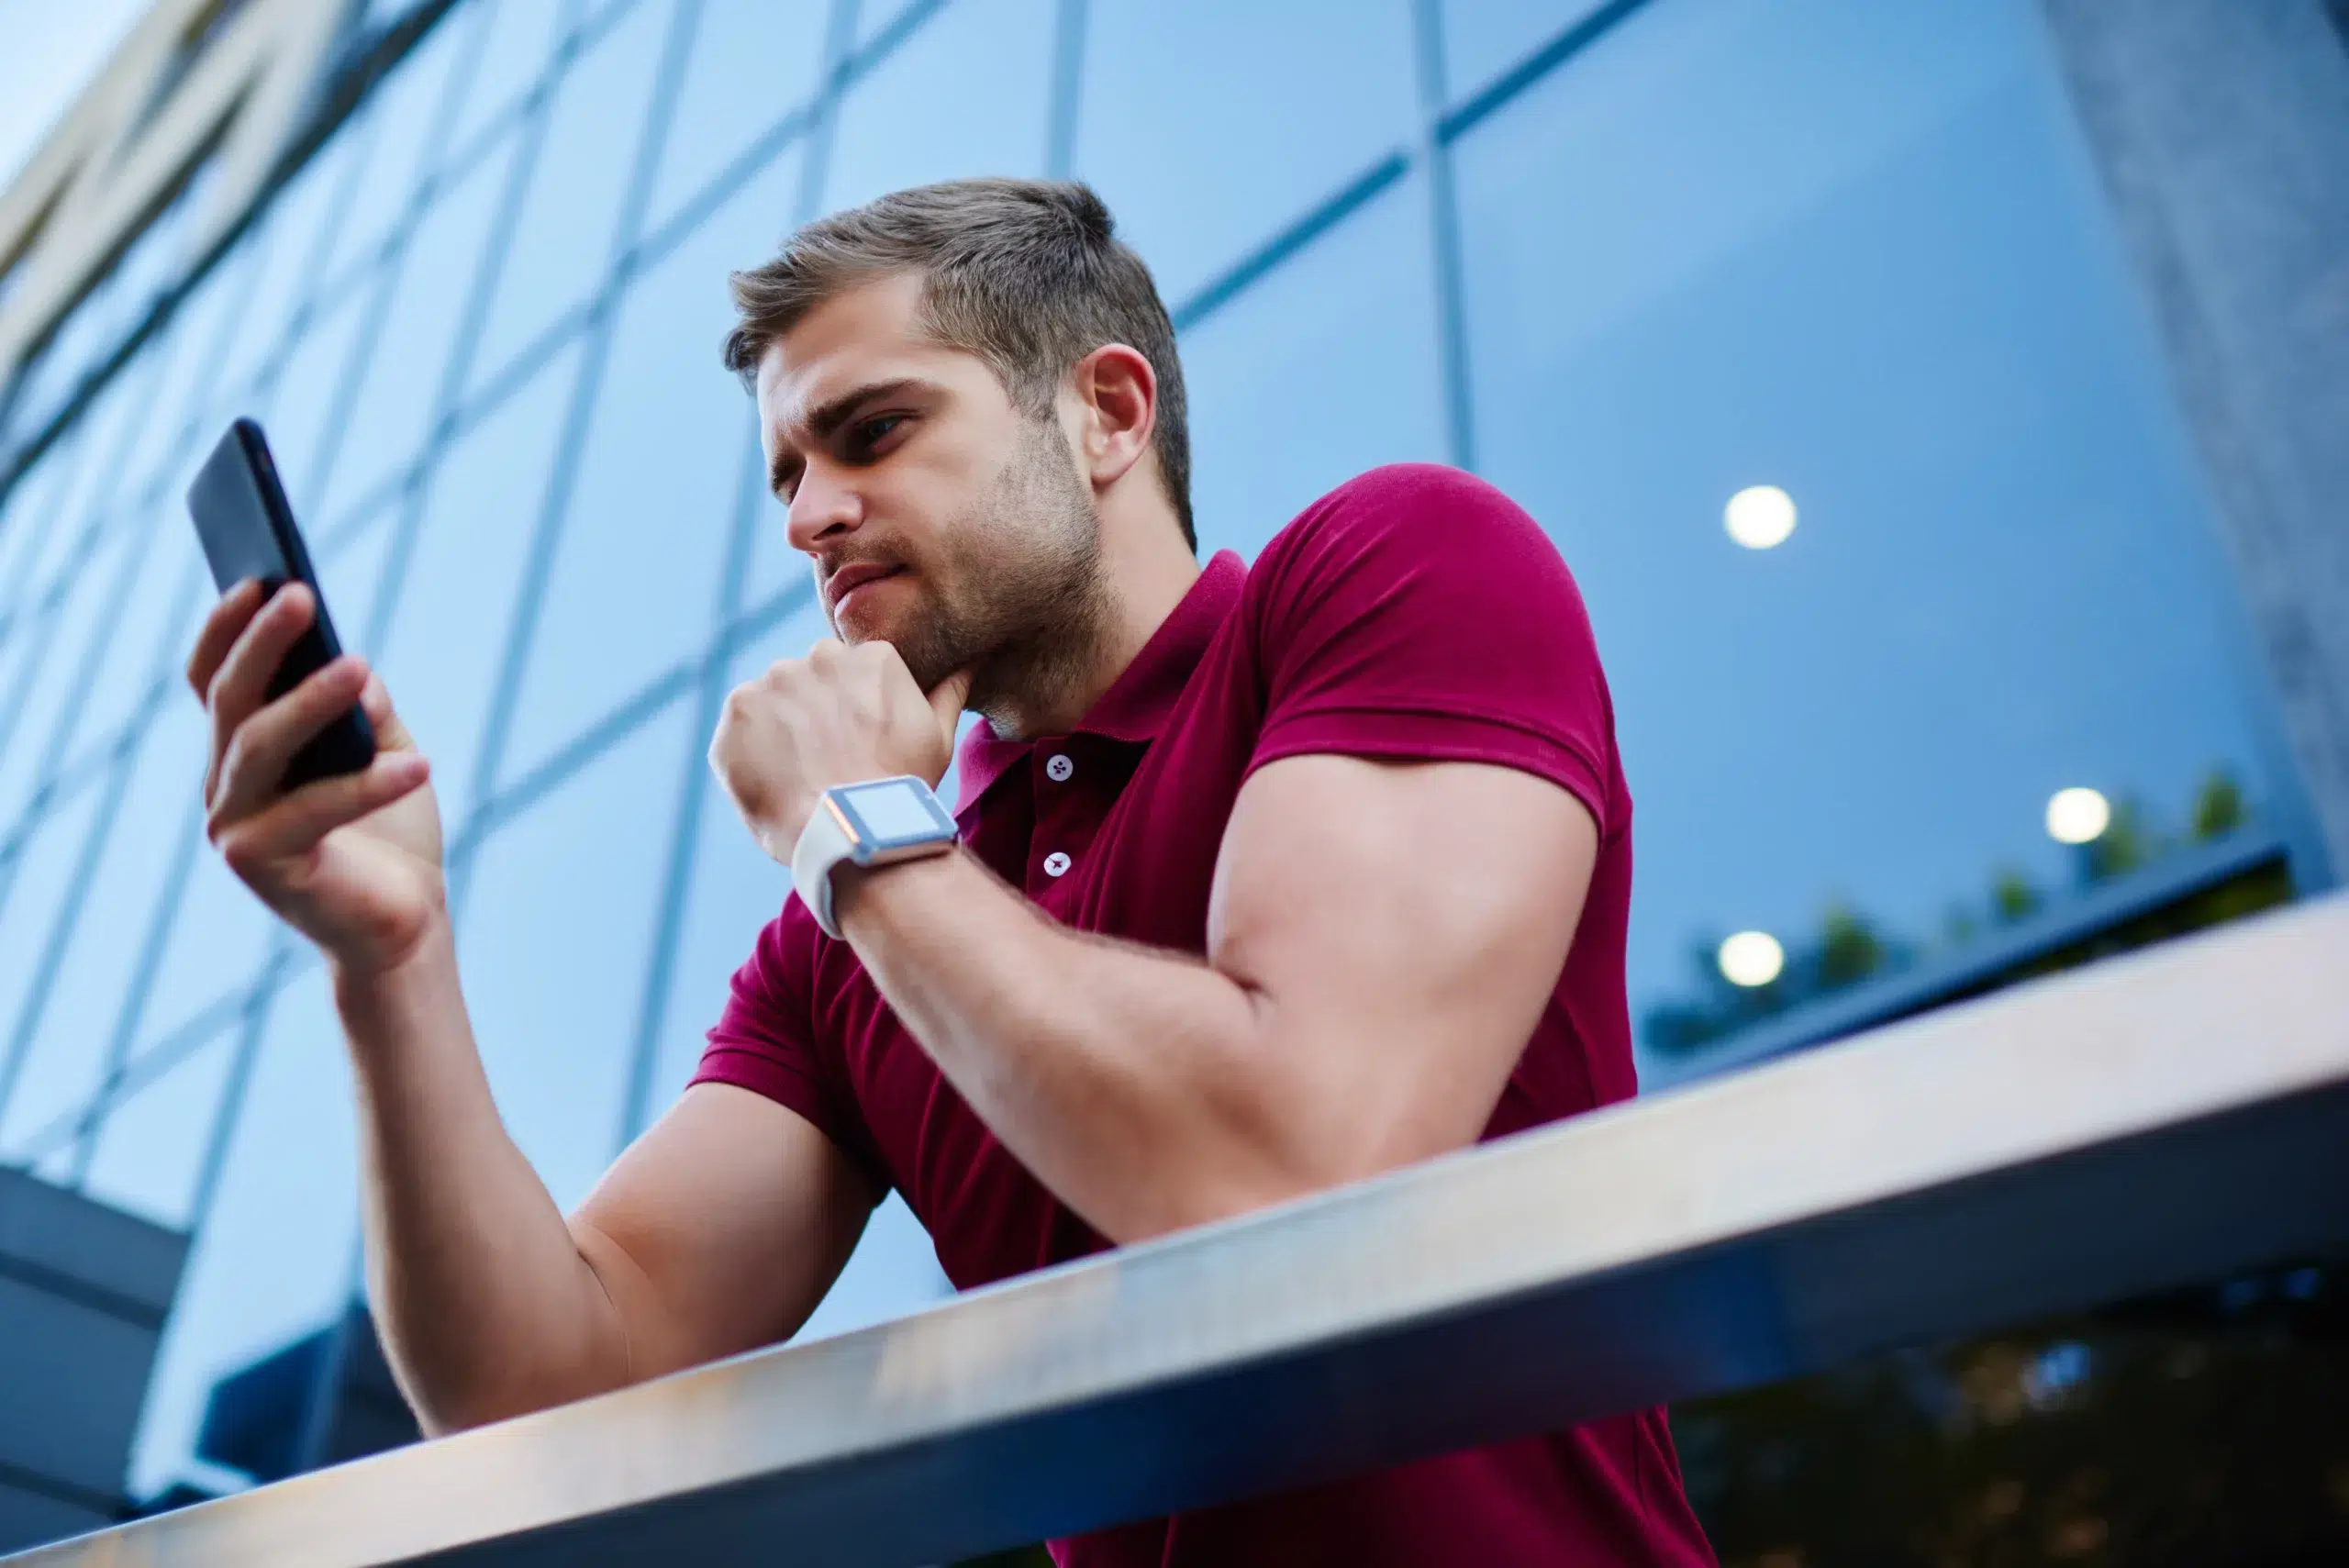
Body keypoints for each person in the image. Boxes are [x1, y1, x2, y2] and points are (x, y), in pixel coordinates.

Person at [185, 176, 1715, 1566]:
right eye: (786, 473)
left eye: (872, 433)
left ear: (1108, 413)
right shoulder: (862, 919)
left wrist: (855, 835)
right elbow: (546, 1388)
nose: (808, 517)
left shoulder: (1391, 567)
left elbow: (1295, 1167)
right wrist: (393, 961)